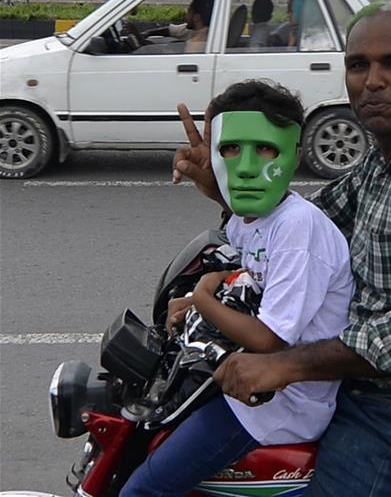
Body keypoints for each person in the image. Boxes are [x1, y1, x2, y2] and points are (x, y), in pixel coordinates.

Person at [171, 0, 391, 496]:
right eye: (359, 65)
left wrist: (282, 365)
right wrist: (226, 188)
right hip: (368, 379)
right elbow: (300, 226)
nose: (372, 80)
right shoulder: (381, 159)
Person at [122, 80, 355, 495]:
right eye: (230, 149)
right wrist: (195, 300)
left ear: (295, 155)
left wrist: (202, 300)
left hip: (279, 403)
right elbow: (248, 275)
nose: (246, 166)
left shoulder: (297, 228)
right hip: (247, 381)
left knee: (142, 489)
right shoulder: (252, 219)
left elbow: (269, 337)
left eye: (265, 149)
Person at [131, 0, 214, 53]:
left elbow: (167, 53)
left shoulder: (196, 44)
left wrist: (142, 40)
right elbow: (171, 30)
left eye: (188, 12)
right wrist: (146, 34)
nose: (185, 15)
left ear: (196, 17)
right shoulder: (195, 31)